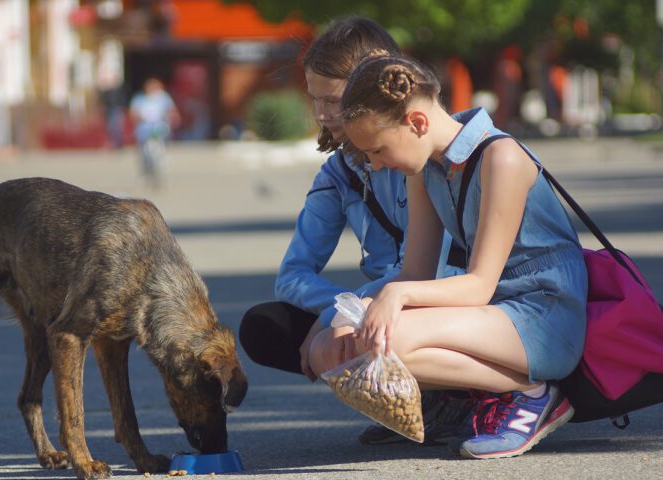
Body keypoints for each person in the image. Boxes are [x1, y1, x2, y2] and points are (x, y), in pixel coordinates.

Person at [308, 54, 588, 459]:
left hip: (543, 314)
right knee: (331, 345)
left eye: (378, 150)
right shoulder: (425, 170)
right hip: (494, 314)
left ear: (417, 123)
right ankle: (458, 401)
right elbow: (416, 273)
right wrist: (358, 309)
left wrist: (394, 299)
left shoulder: (501, 157)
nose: (375, 164)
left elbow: (478, 285)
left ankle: (531, 393)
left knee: (389, 344)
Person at [238, 17, 465, 446]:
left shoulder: (423, 156)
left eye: (333, 99)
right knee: (263, 327)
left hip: (450, 298)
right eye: (314, 99)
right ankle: (416, 400)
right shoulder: (339, 172)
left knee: (352, 330)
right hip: (386, 304)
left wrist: (341, 317)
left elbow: (435, 271)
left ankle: (466, 395)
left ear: (374, 86)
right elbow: (292, 276)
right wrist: (342, 310)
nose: (322, 115)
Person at [129, 76, 180, 188]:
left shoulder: (164, 98)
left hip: (160, 129)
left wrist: (174, 118)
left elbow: (171, 111)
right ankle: (146, 173)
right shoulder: (139, 98)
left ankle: (161, 175)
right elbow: (134, 113)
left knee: (160, 153)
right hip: (144, 130)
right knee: (144, 154)